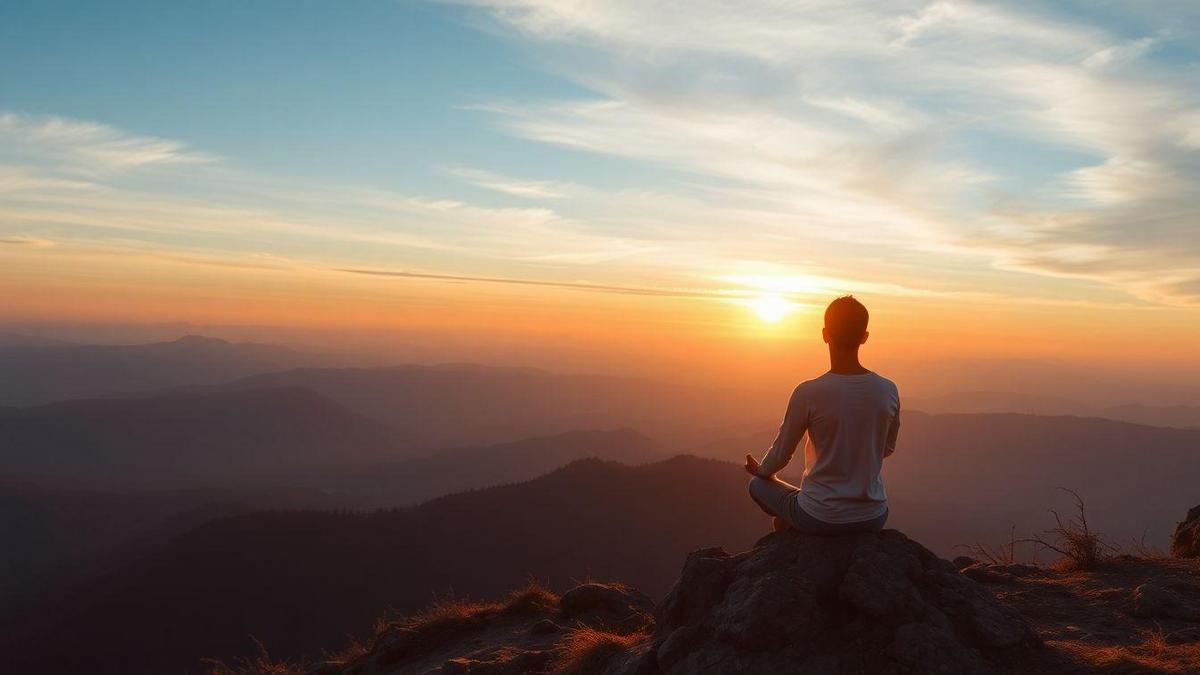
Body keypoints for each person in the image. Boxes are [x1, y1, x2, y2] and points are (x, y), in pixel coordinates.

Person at [745, 295, 901, 535]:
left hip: (821, 517)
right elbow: (887, 449)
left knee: (757, 486)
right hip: (873, 517)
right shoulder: (888, 390)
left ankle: (793, 529)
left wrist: (762, 471)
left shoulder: (808, 392)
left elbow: (782, 453)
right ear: (864, 337)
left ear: (825, 334)